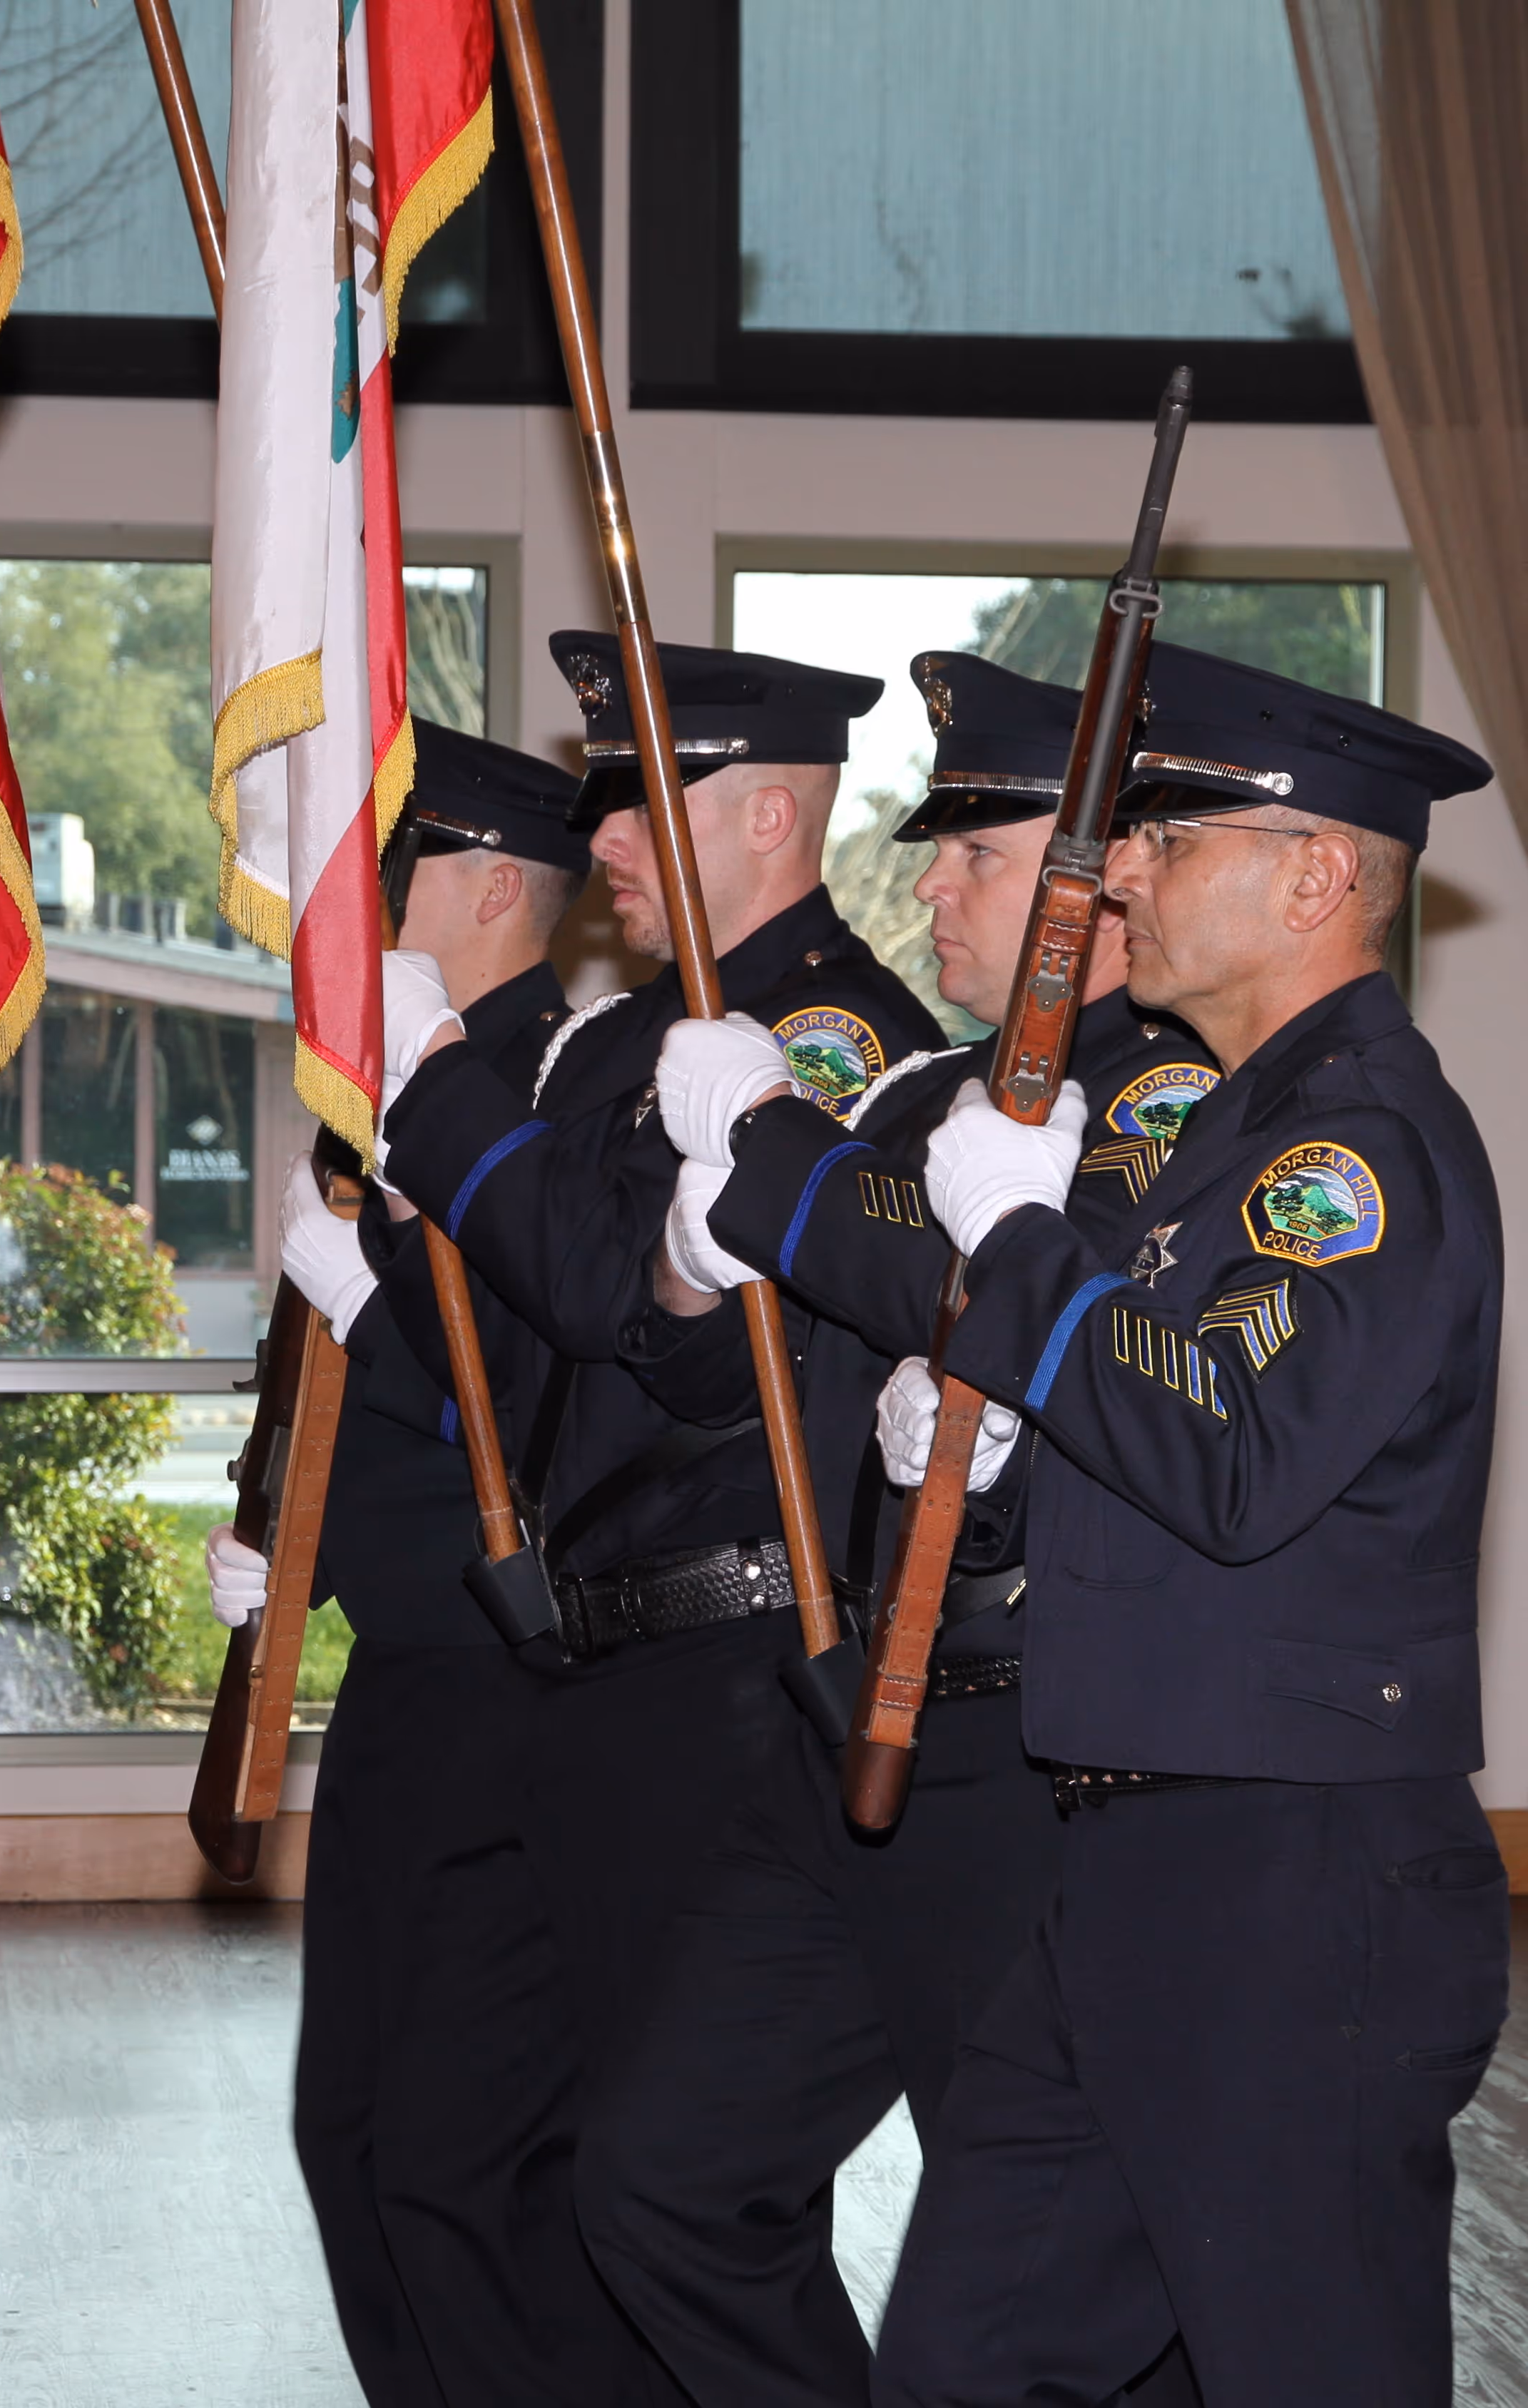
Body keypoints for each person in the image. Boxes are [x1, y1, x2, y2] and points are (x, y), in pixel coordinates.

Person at [858, 646, 1507, 2407]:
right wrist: (1013, 1455)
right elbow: (1164, 1433)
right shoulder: (1231, 1134)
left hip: (1287, 1883)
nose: (1119, 869)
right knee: (964, 2360)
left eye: (1167, 831)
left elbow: (1234, 1449)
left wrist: (1025, 1258)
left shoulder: (1354, 1149)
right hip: (1135, 1858)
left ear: (1312, 877)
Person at [571, 651, 1214, 2408]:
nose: (925, 881)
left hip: (1019, 1750)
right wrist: (700, 1254)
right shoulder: (924, 1091)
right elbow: (735, 1333)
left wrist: (780, 1162)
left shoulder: (1161, 1099)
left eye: (978, 854)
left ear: (1097, 888)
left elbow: (992, 1269)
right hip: (846, 1719)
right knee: (658, 2175)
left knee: (1048, 2285)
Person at [375, 633, 944, 2395]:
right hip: (596, 1662)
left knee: (673, 2193)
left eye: (646, 793)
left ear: (768, 811)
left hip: (729, 1667)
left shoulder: (827, 1035)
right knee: (505, 2164)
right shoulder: (659, 1031)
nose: (604, 829)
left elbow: (603, 1287)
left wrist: (436, 1094)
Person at [208, 722, 648, 2408]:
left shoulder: (581, 1089)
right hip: (410, 1676)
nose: (350, 916)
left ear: (478, 887)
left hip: (533, 1689)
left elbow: (551, 1401)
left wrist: (374, 1301)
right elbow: (321, 1383)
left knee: (466, 2164)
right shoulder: (377, 1094)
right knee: (352, 2134)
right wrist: (280, 1533)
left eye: (382, 880)